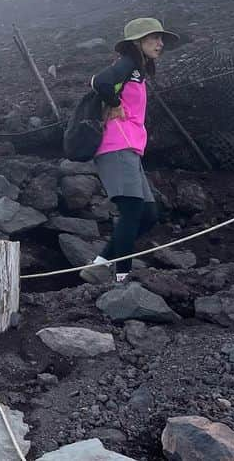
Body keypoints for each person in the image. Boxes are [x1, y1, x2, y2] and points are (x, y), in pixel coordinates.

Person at [80, 18, 178, 284]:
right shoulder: (127, 64)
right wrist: (113, 102)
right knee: (133, 208)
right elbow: (99, 81)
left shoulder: (137, 71)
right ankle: (122, 278)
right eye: (153, 38)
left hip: (130, 147)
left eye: (160, 39)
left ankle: (100, 264)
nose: (160, 44)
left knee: (148, 214)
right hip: (116, 145)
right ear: (137, 43)